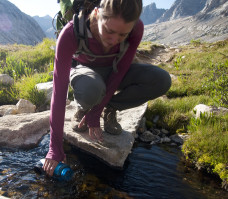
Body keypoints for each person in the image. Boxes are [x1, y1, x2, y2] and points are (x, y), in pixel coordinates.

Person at [43, 0, 171, 176]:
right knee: (91, 90)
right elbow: (58, 94)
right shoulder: (71, 33)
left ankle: (110, 107)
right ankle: (83, 107)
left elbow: (120, 72)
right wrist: (55, 148)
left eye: (122, 35)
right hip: (84, 72)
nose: (114, 40)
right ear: (96, 13)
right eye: (109, 31)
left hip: (114, 70)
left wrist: (96, 113)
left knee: (161, 80)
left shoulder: (136, 28)